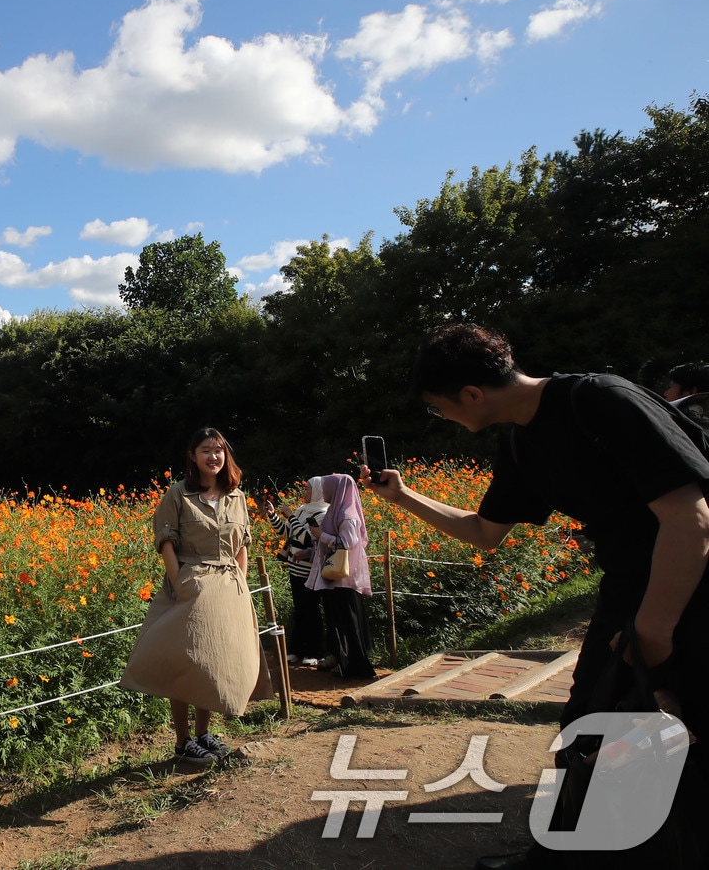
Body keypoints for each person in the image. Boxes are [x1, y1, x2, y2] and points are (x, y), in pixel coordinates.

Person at [365, 323, 709, 870]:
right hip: (629, 586)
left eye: (439, 408)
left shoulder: (600, 400)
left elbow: (690, 519)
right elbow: (484, 531)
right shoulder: (521, 440)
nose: (443, 418)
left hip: (694, 578)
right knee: (589, 725)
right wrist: (402, 495)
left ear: (471, 395)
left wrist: (654, 631)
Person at [120, 427, 274, 767]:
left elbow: (243, 545)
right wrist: (181, 583)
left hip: (228, 588)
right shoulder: (178, 494)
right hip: (192, 584)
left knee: (211, 664)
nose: (214, 456)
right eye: (206, 450)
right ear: (193, 456)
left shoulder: (236, 496)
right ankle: (182, 741)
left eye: (219, 450)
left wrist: (242, 582)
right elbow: (166, 542)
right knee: (185, 661)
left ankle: (203, 734)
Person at [304, 474, 377, 680]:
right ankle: (342, 661)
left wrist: (321, 535)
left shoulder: (347, 515)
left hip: (344, 578)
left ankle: (355, 666)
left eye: (327, 488)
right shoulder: (336, 511)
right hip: (334, 576)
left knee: (347, 621)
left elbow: (347, 543)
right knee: (337, 620)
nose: (324, 491)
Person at [265, 477, 328, 667]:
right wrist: (273, 516)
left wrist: (291, 516)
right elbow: (289, 533)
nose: (304, 492)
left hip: (310, 571)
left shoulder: (323, 514)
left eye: (307, 489)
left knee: (311, 611)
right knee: (299, 610)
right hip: (295, 568)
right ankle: (297, 650)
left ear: (317, 491)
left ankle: (314, 651)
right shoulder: (303, 510)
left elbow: (307, 540)